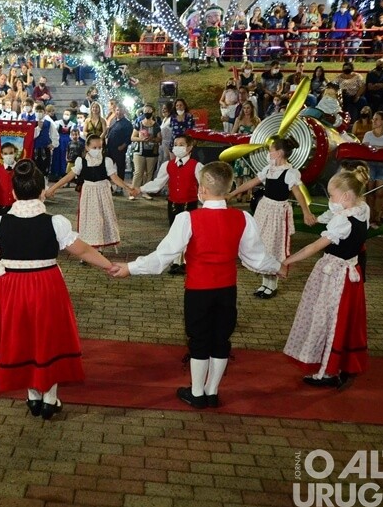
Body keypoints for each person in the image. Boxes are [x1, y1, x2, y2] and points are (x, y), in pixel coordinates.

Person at [0, 159, 113, 419]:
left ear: (13, 193)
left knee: (22, 338)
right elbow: (81, 248)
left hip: (13, 287)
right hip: (46, 284)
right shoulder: (55, 222)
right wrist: (108, 266)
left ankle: (32, 396)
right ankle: (50, 397)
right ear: (42, 190)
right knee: (47, 339)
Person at [111, 161, 281, 409]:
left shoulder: (187, 219)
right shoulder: (243, 217)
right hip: (227, 290)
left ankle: (197, 392)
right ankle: (212, 391)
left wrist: (130, 268)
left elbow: (164, 257)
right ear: (229, 187)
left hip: (198, 291)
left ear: (201, 189)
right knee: (221, 339)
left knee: (199, 339)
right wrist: (278, 266)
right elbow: (255, 257)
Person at [282, 166, 370, 389]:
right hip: (352, 273)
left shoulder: (343, 222)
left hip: (335, 276)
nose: (330, 198)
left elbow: (313, 247)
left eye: (332, 195)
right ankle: (343, 364)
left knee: (329, 319)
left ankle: (329, 371)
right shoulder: (363, 209)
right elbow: (338, 216)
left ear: (346, 196)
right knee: (344, 319)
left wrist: (286, 261)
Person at [228, 137, 317, 298]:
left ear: (279, 153)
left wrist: (306, 212)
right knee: (262, 244)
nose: (269, 154)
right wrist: (233, 193)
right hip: (264, 210)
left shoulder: (290, 173)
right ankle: (265, 282)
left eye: (271, 151)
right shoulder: (269, 169)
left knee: (274, 246)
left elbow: (298, 194)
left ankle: (272, 284)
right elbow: (252, 183)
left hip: (277, 213)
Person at [46, 135, 132, 249]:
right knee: (88, 220)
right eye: (94, 147)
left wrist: (128, 188)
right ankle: (87, 248)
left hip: (103, 193)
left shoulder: (106, 161)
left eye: (99, 147)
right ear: (87, 147)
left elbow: (114, 177)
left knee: (102, 219)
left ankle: (99, 247)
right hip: (88, 193)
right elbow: (68, 177)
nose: (97, 150)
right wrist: (53, 188)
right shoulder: (81, 161)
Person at [134, 134, 203, 274]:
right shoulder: (168, 165)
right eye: (176, 144)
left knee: (188, 233)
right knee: (174, 231)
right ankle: (176, 261)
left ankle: (185, 261)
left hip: (189, 203)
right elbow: (157, 183)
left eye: (181, 144)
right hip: (173, 203)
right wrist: (140, 189)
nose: (177, 147)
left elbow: (203, 186)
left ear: (189, 148)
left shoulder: (196, 166)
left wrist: (209, 202)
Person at [361, 111, 383, 228]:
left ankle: (377, 216)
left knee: (380, 193)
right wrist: (380, 148)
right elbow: (365, 149)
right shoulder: (368, 134)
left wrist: (374, 148)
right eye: (373, 119)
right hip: (370, 165)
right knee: (369, 192)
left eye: (376, 119)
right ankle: (369, 216)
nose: (373, 121)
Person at [129, 104, 161, 199]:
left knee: (149, 173)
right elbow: (132, 137)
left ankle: (145, 191)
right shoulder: (139, 123)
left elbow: (160, 138)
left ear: (153, 111)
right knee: (138, 172)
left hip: (152, 151)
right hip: (139, 151)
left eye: (149, 110)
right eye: (145, 110)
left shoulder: (156, 125)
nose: (147, 112)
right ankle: (133, 192)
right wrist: (141, 139)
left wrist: (153, 139)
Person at [31, 103, 59, 185]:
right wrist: (38, 128)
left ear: (44, 112)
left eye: (41, 111)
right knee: (34, 168)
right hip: (34, 149)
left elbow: (55, 134)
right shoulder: (32, 123)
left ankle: (44, 186)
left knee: (45, 168)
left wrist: (53, 144)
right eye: (37, 111)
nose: (39, 113)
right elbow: (30, 136)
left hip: (45, 148)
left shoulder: (48, 123)